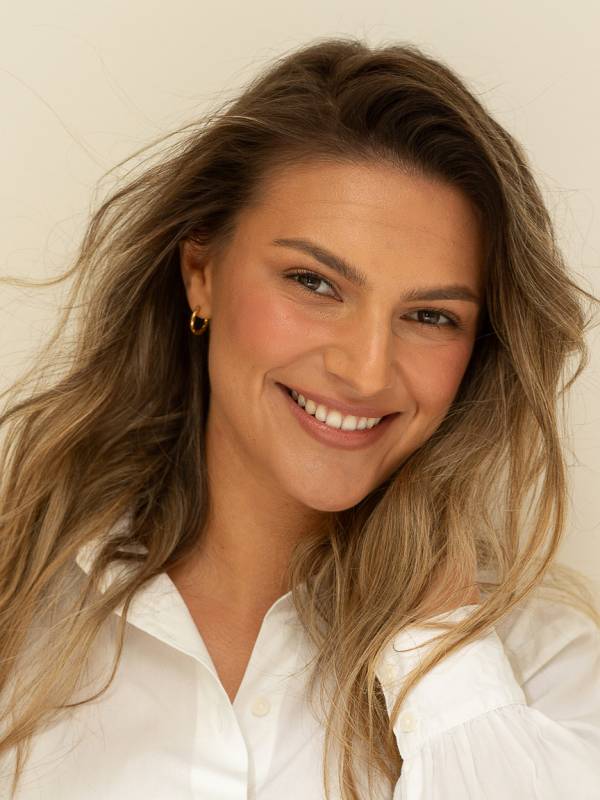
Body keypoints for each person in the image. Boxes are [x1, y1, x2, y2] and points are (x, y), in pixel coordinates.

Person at [0, 36, 599, 800]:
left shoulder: (543, 673)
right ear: (201, 274)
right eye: (314, 283)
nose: (366, 370)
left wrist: (440, 651)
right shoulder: (19, 612)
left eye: (430, 316)